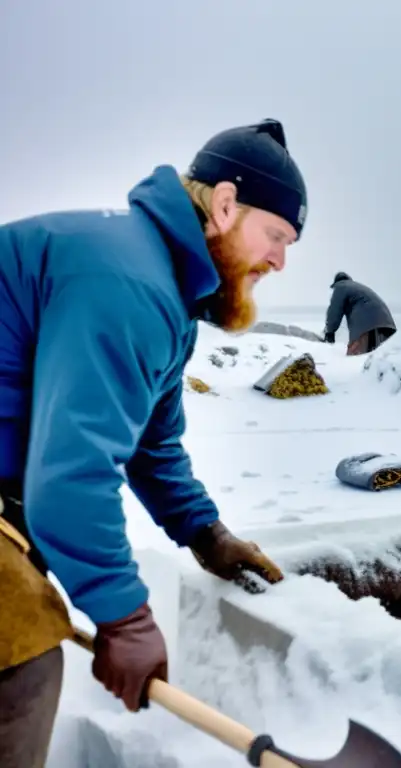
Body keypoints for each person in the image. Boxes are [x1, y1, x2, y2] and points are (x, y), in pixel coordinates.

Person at [0, 117, 306, 767]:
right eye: (276, 235)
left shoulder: (157, 289)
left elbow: (150, 446)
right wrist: (125, 618)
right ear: (225, 207)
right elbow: (71, 477)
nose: (281, 260)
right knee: (20, 668)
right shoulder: (128, 284)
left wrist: (205, 534)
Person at [322, 271, 397, 355]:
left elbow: (334, 310)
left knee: (353, 357)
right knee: (380, 359)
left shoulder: (341, 286)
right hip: (387, 326)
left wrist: (329, 332)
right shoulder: (360, 288)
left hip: (365, 325)